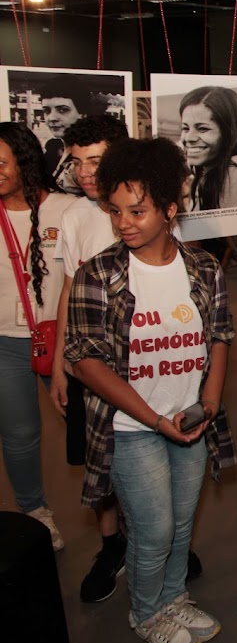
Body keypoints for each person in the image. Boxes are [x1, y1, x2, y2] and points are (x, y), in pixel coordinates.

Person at [65, 137, 235, 643]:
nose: (124, 223)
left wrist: (209, 401)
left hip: (191, 419)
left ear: (169, 208)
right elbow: (85, 361)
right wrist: (154, 419)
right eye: (115, 211)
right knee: (153, 529)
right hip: (131, 427)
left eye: (137, 211)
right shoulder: (98, 274)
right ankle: (145, 613)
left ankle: (173, 598)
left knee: (182, 524)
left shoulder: (204, 268)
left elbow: (219, 336)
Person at [50, 115, 142, 603]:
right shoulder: (73, 216)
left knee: (149, 456)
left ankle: (157, 542)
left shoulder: (144, 206)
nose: (85, 172)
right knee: (98, 461)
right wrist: (59, 364)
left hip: (143, 361)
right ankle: (113, 546)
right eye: (77, 161)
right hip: (88, 362)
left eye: (96, 161)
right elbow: (67, 290)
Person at [0, 121, 75, 551]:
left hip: (61, 340)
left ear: (25, 161)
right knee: (19, 436)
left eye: (2, 162)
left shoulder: (67, 210)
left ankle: (120, 513)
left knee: (86, 428)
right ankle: (35, 512)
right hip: (6, 343)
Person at [179, 86, 237, 211]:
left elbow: (227, 222)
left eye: (202, 129)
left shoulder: (233, 168)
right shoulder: (205, 171)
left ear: (228, 133)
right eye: (185, 128)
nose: (189, 138)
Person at [40, 75, 90, 189]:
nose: (51, 118)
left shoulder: (86, 159)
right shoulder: (59, 151)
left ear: (83, 114)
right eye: (47, 111)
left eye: (62, 110)